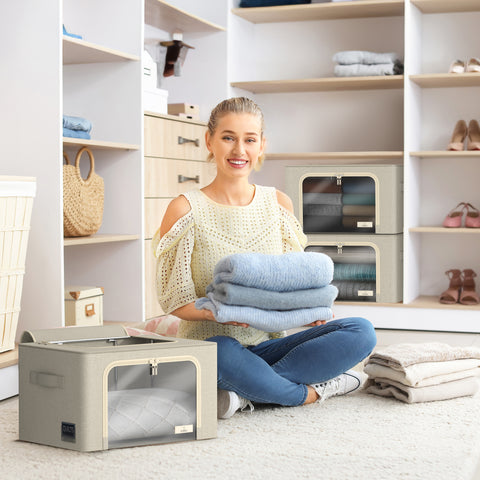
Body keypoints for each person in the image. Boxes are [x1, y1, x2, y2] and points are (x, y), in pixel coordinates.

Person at [153, 97, 377, 419]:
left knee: (361, 331)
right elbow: (173, 300)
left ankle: (245, 394)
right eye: (228, 137)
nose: (239, 150)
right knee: (221, 352)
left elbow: (297, 284)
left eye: (249, 139)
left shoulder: (278, 205)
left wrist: (305, 310)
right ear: (209, 141)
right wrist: (217, 314)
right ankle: (308, 393)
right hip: (215, 349)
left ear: (261, 146)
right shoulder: (185, 209)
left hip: (269, 348)